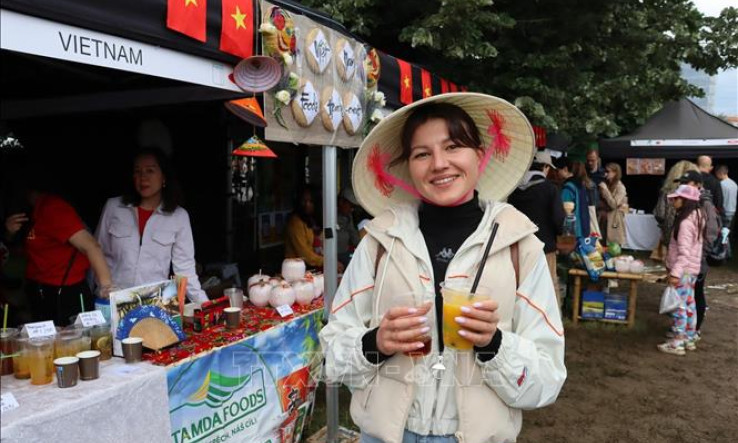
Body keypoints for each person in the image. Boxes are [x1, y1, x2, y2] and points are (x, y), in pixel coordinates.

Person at [320, 94, 565, 442]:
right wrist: (376, 343)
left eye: (453, 147)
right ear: (409, 166)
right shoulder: (380, 242)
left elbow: (548, 378)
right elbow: (331, 358)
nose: (439, 164)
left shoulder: (518, 245)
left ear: (479, 155)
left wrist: (494, 345)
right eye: (422, 154)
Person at [95, 147, 208, 304]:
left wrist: (206, 306)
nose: (143, 177)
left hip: (155, 304)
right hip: (113, 300)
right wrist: (100, 289)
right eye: (138, 171)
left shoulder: (178, 216)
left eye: (150, 171)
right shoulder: (114, 207)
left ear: (164, 177)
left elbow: (185, 271)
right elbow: (96, 252)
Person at [4, 171, 113, 325]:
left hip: (65, 292)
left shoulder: (52, 208)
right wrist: (8, 233)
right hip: (40, 289)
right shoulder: (30, 212)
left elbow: (91, 246)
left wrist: (106, 287)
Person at [508, 150, 565, 305]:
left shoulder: (514, 189)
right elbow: (559, 220)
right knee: (548, 286)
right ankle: (550, 319)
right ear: (545, 167)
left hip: (519, 247)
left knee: (522, 287)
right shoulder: (550, 189)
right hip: (545, 247)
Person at [658, 184, 704, 356]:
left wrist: (675, 273)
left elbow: (684, 253)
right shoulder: (698, 218)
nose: (673, 201)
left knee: (678, 307)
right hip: (692, 270)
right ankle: (689, 337)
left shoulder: (685, 223)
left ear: (685, 201)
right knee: (690, 304)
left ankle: (677, 342)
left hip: (683, 271)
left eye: (677, 198)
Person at [674, 171, 719, 346]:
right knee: (690, 298)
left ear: (698, 184)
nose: (683, 185)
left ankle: (687, 334)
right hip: (689, 260)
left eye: (687, 182)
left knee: (693, 297)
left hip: (693, 261)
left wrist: (700, 254)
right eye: (682, 182)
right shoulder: (690, 208)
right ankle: (689, 334)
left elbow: (710, 233)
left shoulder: (704, 204)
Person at [284, 186, 345, 272]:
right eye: (304, 201)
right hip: (295, 270)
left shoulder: (313, 219)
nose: (307, 204)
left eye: (311, 201)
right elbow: (305, 254)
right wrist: (328, 262)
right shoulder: (295, 222)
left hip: (312, 267)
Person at [653, 161, 699, 259]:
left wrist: (663, 225)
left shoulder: (667, 192)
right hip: (692, 237)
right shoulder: (697, 194)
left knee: (672, 260)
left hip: (670, 234)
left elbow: (659, 213)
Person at [556, 157, 591, 239]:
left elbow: (564, 210)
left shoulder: (568, 187)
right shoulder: (581, 184)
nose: (557, 173)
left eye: (558, 170)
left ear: (565, 169)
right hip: (584, 229)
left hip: (572, 231)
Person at [598, 162, 628, 245]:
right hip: (603, 218)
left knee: (613, 246)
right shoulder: (606, 184)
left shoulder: (620, 187)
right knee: (601, 244)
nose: (605, 174)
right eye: (605, 171)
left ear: (615, 173)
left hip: (614, 220)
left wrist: (605, 190)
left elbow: (614, 205)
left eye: (608, 171)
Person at [336, 186, 361, 267]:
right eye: (351, 206)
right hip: (332, 257)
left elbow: (355, 239)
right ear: (341, 202)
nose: (352, 209)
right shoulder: (330, 216)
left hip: (345, 254)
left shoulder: (348, 217)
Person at [716, 164, 736, 230]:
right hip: (733, 212)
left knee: (724, 233)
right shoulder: (734, 184)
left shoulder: (720, 184)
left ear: (719, 173)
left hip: (725, 213)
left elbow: (719, 200)